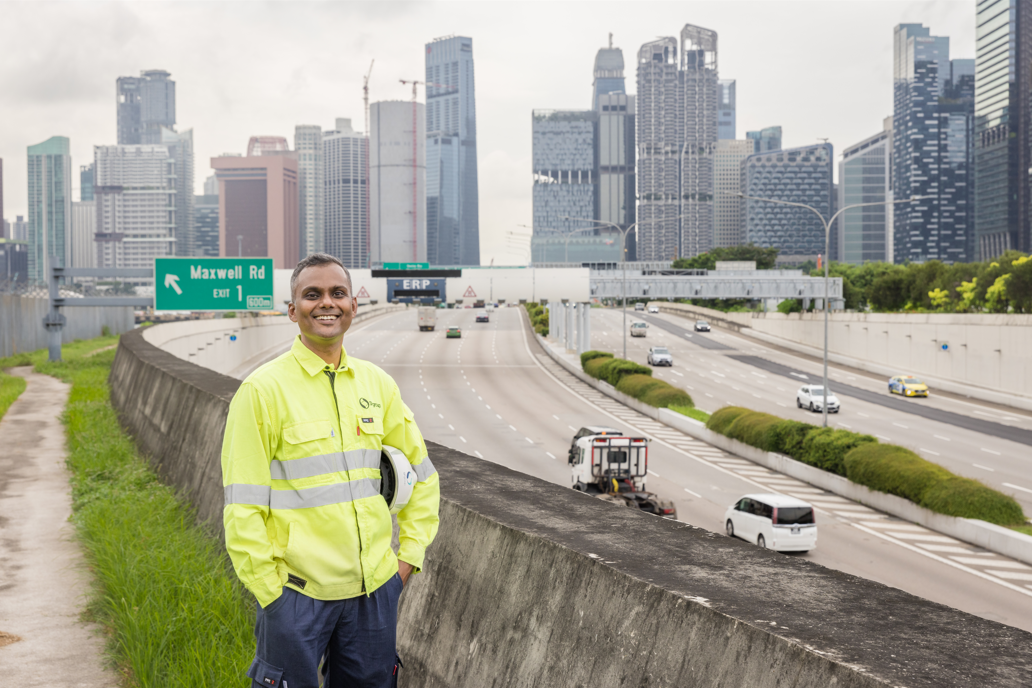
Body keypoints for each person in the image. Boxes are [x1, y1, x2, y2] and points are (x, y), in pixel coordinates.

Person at [221, 253, 440, 688]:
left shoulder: (377, 385)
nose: (327, 303)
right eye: (312, 294)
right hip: (298, 597)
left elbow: (423, 476)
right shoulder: (262, 392)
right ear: (292, 310)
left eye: (338, 293)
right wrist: (272, 595)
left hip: (374, 594)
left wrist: (407, 561)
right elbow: (242, 508)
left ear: (354, 305)